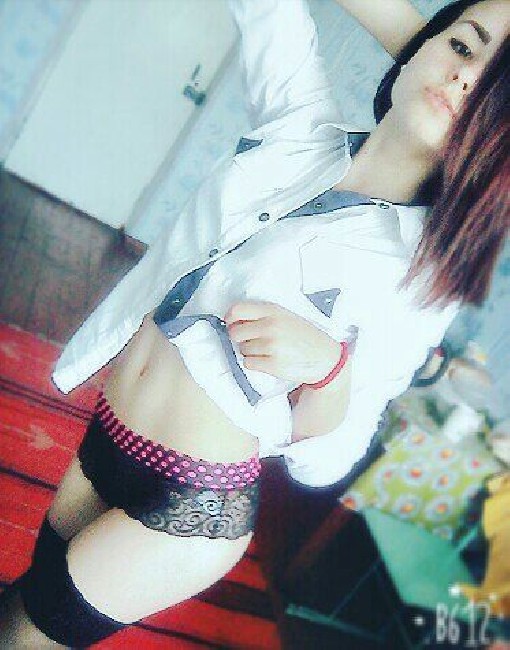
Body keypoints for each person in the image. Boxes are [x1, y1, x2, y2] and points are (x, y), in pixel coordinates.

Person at [0, 0, 508, 646]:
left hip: (193, 502)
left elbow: (329, 457)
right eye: (461, 46)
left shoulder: (423, 282)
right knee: (22, 603)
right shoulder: (299, 125)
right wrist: (444, 61)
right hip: (114, 428)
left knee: (25, 634)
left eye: (494, 95)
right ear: (418, 46)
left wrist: (328, 369)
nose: (463, 77)